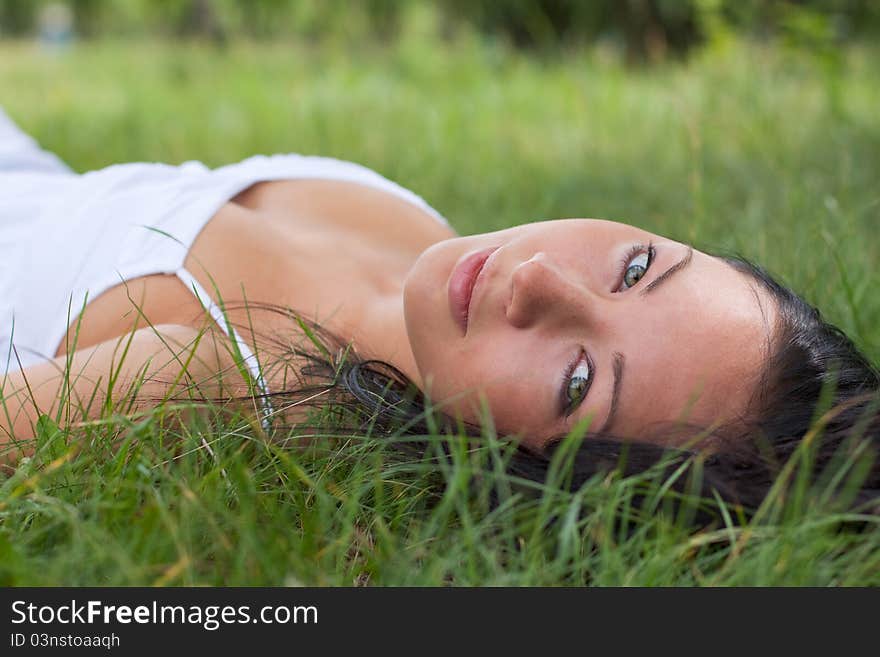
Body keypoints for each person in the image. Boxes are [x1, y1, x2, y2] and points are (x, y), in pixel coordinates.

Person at [1, 108, 877, 514]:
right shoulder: (429, 240)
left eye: (578, 379)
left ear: (542, 480)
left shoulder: (221, 383)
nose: (539, 279)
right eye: (637, 266)